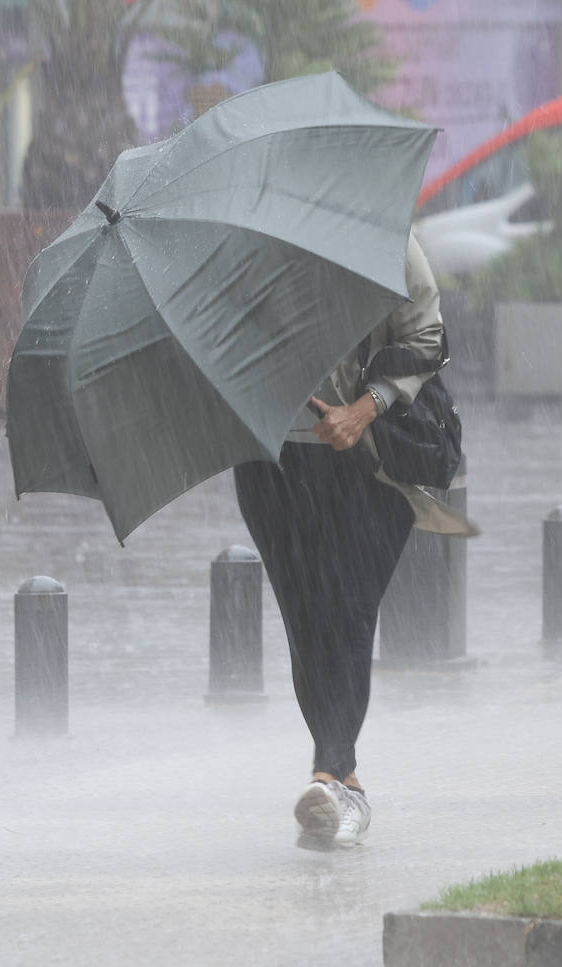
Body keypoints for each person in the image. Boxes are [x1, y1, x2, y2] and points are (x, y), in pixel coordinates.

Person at [233, 225, 473, 851]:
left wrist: (364, 407)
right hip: (273, 464)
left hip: (369, 456)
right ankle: (346, 784)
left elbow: (426, 333)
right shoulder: (240, 246)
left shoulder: (378, 230)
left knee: (348, 605)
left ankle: (326, 767)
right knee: (306, 620)